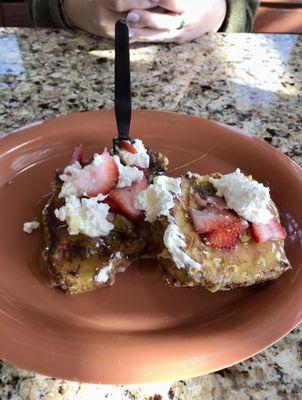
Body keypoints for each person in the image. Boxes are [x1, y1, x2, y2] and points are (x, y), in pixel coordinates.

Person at [27, 0, 259, 43]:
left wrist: (219, 11)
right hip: (73, 48)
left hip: (203, 58)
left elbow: (245, 6)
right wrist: (69, 8)